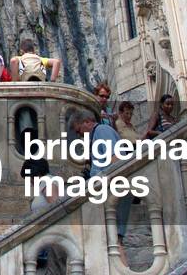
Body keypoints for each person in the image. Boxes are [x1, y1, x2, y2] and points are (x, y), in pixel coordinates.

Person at [70, 109, 130, 263]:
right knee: (111, 239)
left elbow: (116, 159)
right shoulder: (97, 135)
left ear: (87, 123)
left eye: (79, 131)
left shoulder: (102, 130)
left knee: (114, 238)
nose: (79, 135)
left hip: (113, 190)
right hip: (109, 190)